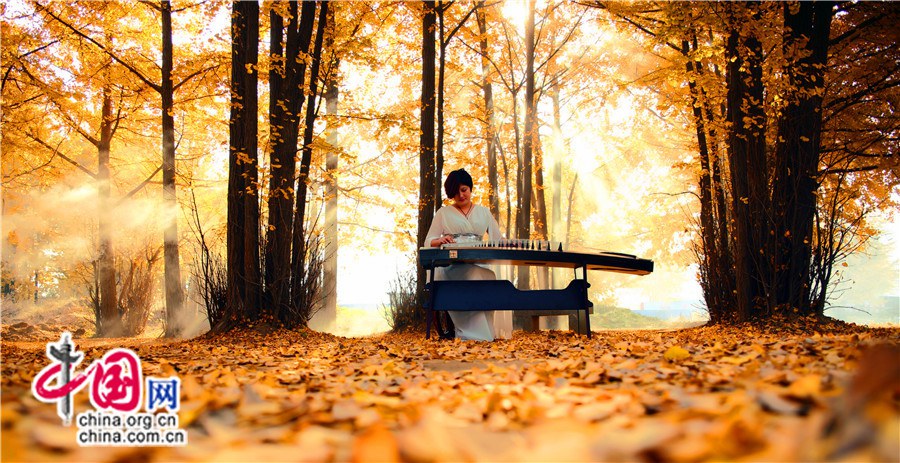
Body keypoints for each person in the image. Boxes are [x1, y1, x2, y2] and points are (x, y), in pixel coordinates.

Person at [425, 169, 508, 341]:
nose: (461, 195)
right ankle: (474, 333)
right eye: (456, 193)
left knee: (489, 276)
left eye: (464, 190)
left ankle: (487, 331)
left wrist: (509, 242)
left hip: (478, 262)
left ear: (470, 188)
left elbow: (498, 238)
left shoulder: (484, 212)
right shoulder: (443, 213)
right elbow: (429, 240)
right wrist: (440, 240)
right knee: (473, 274)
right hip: (452, 267)